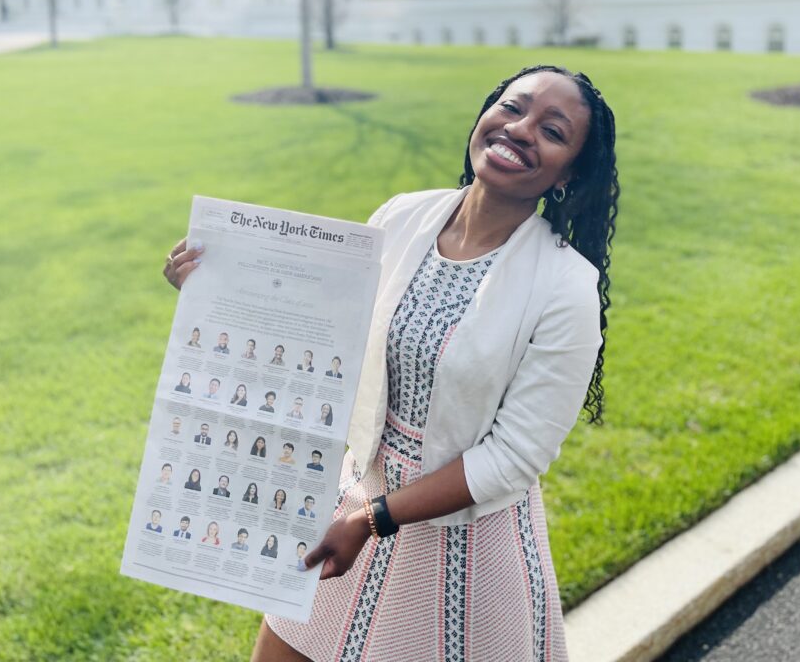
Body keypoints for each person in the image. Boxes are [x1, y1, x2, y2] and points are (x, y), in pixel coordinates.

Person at [163, 64, 618, 662]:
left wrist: (372, 520)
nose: (521, 129)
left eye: (553, 131)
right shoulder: (401, 216)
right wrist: (214, 292)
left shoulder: (566, 287)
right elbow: (320, 339)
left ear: (568, 176)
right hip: (349, 506)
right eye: (513, 107)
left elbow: (515, 458)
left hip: (461, 546)